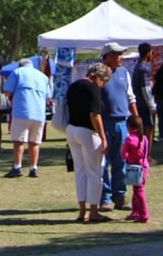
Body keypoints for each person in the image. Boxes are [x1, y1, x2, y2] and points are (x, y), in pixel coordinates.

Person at [65, 62, 111, 223]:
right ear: (97, 76)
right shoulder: (93, 88)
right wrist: (104, 138)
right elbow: (95, 115)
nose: (103, 85)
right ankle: (93, 211)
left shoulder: (74, 86)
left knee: (80, 171)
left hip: (72, 129)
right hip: (88, 132)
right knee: (94, 172)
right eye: (104, 81)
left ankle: (82, 210)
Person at [98, 42, 138, 211]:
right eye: (118, 54)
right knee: (103, 162)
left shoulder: (123, 72)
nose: (121, 58)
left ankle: (120, 196)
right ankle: (105, 198)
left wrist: (136, 119)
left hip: (122, 122)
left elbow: (131, 97)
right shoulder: (98, 73)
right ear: (109, 56)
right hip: (104, 123)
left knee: (121, 161)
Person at [3, 57, 51, 178]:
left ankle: (17, 166)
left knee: (19, 141)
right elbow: (48, 96)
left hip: (22, 111)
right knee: (35, 142)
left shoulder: (17, 72)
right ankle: (33, 168)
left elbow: (7, 91)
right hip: (39, 113)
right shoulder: (43, 76)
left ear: (20, 65)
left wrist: (12, 97)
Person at [121, 115, 150, 223]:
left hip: (134, 169)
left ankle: (144, 214)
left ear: (128, 126)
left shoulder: (129, 139)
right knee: (137, 190)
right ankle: (135, 212)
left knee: (139, 191)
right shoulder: (145, 138)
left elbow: (124, 155)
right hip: (144, 167)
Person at [131, 43, 157, 161]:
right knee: (148, 129)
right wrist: (152, 106)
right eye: (151, 52)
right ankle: (146, 155)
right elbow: (145, 90)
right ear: (147, 53)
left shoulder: (138, 67)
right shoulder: (143, 68)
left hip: (139, 103)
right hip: (143, 104)